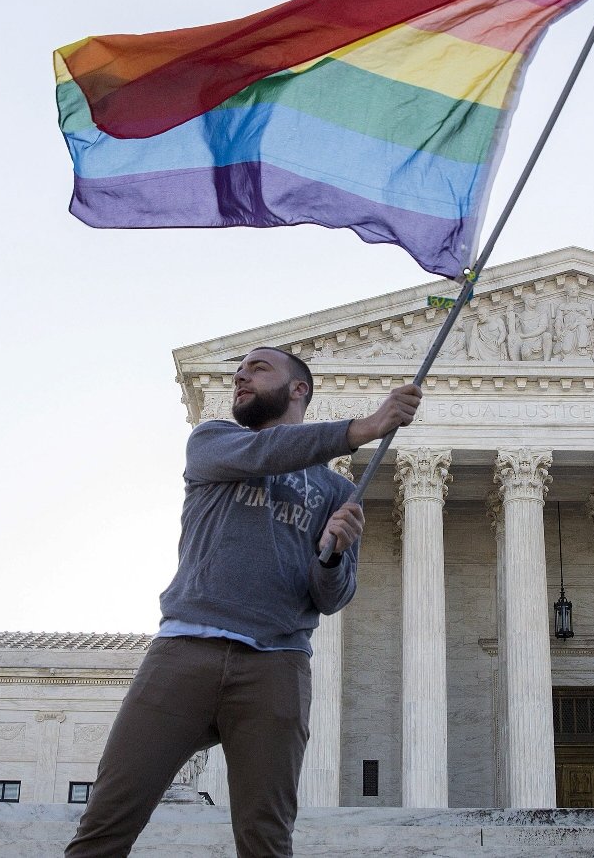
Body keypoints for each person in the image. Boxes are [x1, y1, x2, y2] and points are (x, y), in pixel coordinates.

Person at [67, 346, 421, 858]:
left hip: (276, 667)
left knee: (266, 840)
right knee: (107, 822)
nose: (241, 378)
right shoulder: (213, 443)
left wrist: (333, 556)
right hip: (184, 654)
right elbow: (266, 453)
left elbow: (332, 599)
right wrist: (363, 428)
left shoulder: (339, 491)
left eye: (257, 368)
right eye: (238, 372)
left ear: (299, 388)